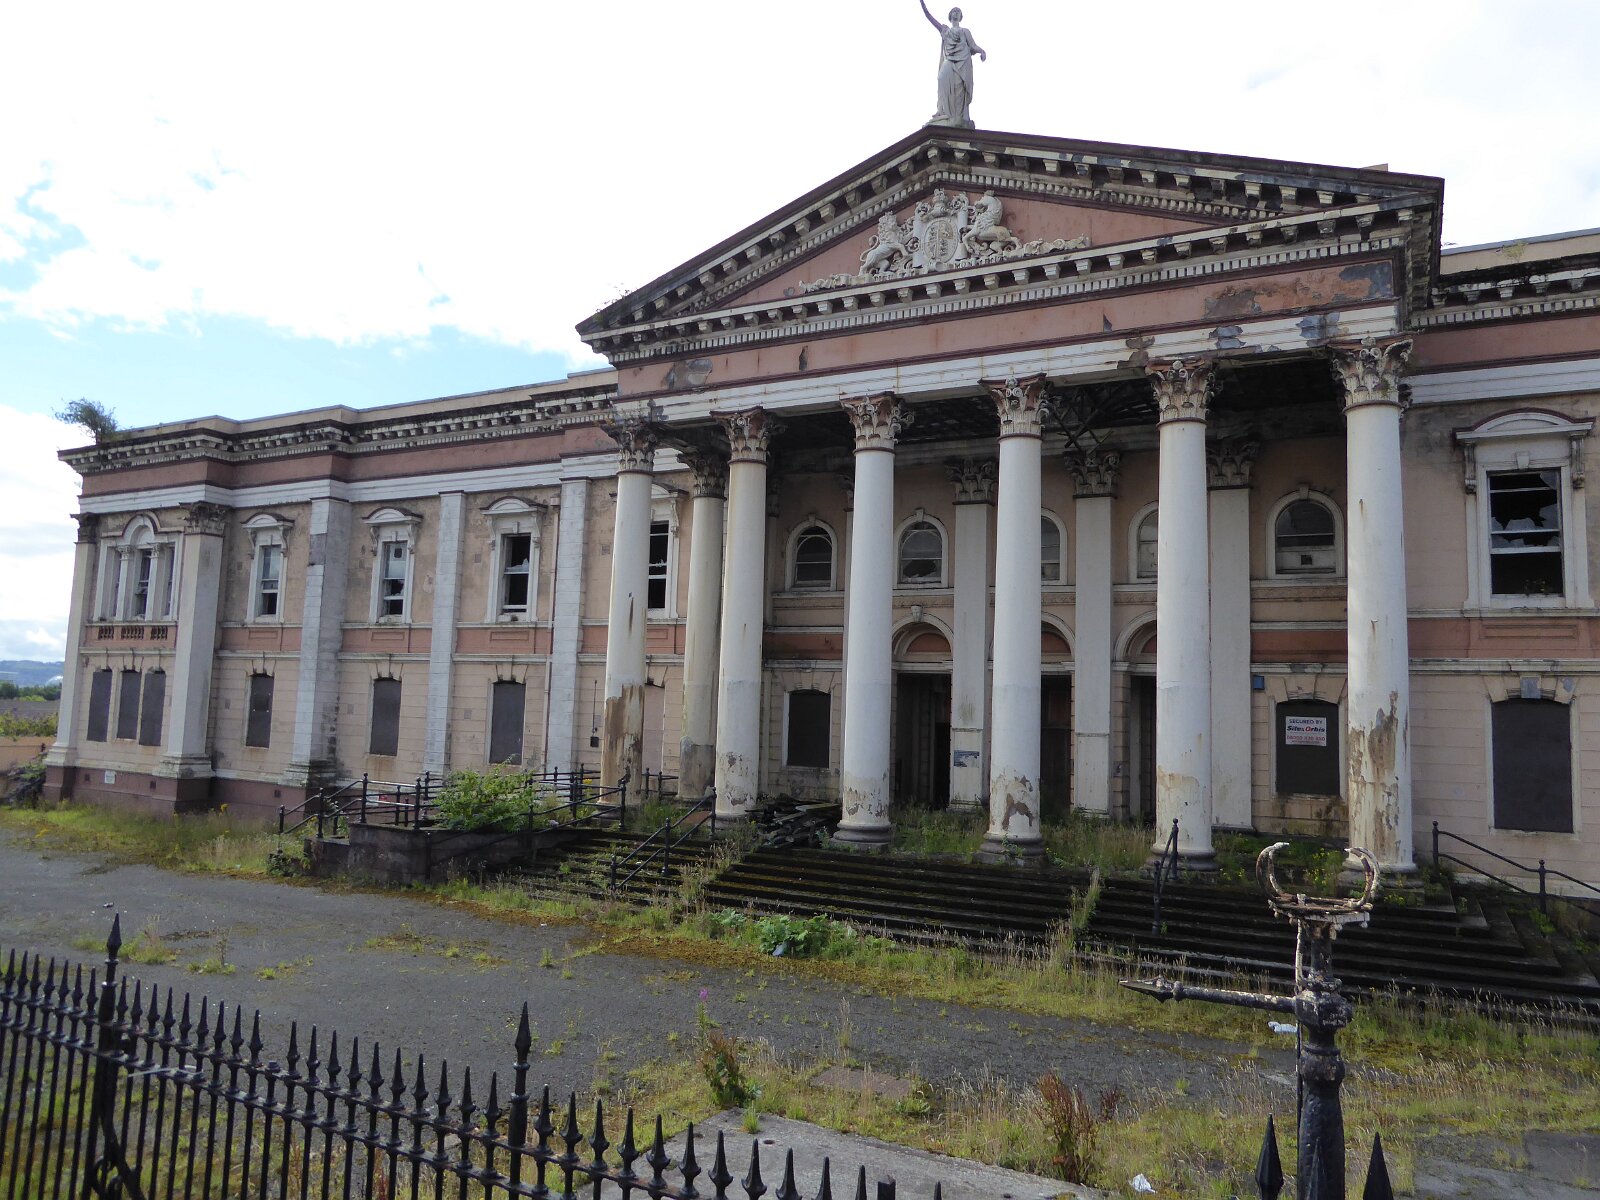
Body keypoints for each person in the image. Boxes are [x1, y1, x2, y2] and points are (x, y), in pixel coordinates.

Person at [920, 2, 986, 128]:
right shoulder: (945, 30)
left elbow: (972, 45)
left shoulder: (965, 31)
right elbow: (928, 16)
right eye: (954, 11)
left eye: (958, 11)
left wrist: (982, 51)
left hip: (964, 62)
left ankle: (957, 119)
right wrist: (922, 4)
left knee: (960, 89)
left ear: (961, 16)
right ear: (950, 16)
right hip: (949, 61)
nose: (956, 12)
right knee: (941, 78)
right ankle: (943, 112)